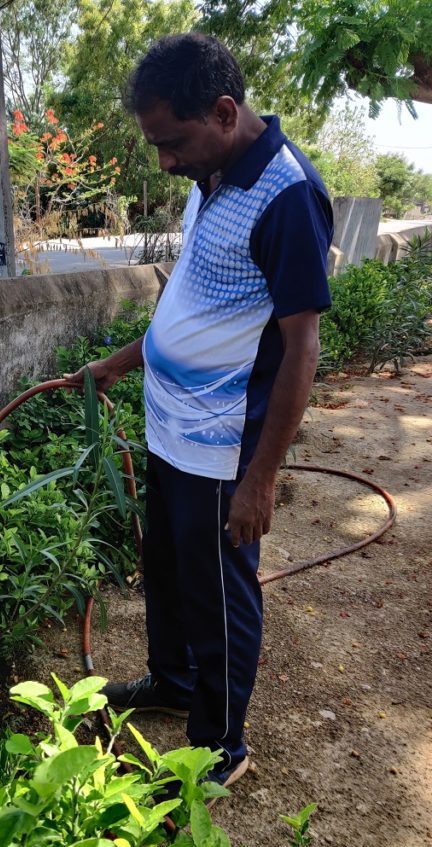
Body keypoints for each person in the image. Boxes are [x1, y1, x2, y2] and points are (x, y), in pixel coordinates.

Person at [64, 33, 333, 792]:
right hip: (169, 425)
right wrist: (120, 362)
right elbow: (197, 297)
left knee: (219, 592)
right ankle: (173, 681)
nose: (164, 162)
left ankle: (222, 744)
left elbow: (301, 346)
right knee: (170, 570)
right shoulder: (208, 173)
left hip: (222, 447)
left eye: (171, 143)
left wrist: (261, 479)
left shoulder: (287, 197)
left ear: (222, 113)